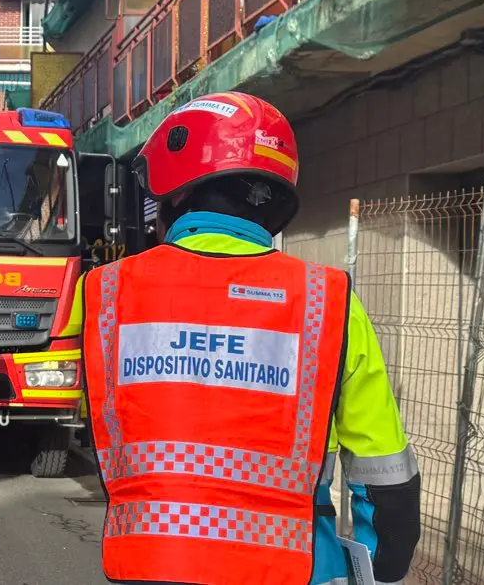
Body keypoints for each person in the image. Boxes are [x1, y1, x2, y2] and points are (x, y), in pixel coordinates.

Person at [82, 92, 420, 585]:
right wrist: (375, 566)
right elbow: (385, 477)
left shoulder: (107, 292)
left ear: (175, 191)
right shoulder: (328, 302)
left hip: (150, 568)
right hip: (295, 569)